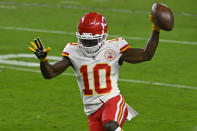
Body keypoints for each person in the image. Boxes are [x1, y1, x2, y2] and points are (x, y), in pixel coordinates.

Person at [28, 12, 160, 131]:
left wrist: (156, 30)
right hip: (91, 110)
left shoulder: (114, 49)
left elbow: (146, 55)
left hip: (111, 100)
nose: (87, 45)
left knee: (110, 125)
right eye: (84, 40)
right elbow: (50, 73)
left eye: (92, 41)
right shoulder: (73, 51)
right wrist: (43, 60)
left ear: (104, 36)